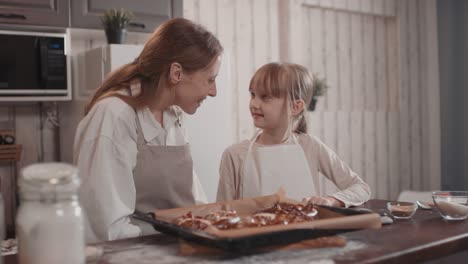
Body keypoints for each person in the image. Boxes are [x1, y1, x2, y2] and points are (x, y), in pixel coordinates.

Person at [74, 18, 223, 242]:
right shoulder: (114, 116)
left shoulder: (174, 116)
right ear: (176, 73)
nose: (213, 91)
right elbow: (106, 228)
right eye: (210, 79)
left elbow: (191, 200)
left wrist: (212, 227)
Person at [216, 62, 370, 207]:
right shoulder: (234, 155)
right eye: (253, 95)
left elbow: (361, 188)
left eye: (265, 97)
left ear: (296, 106)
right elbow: (222, 213)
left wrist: (330, 201)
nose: (254, 104)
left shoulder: (310, 146)